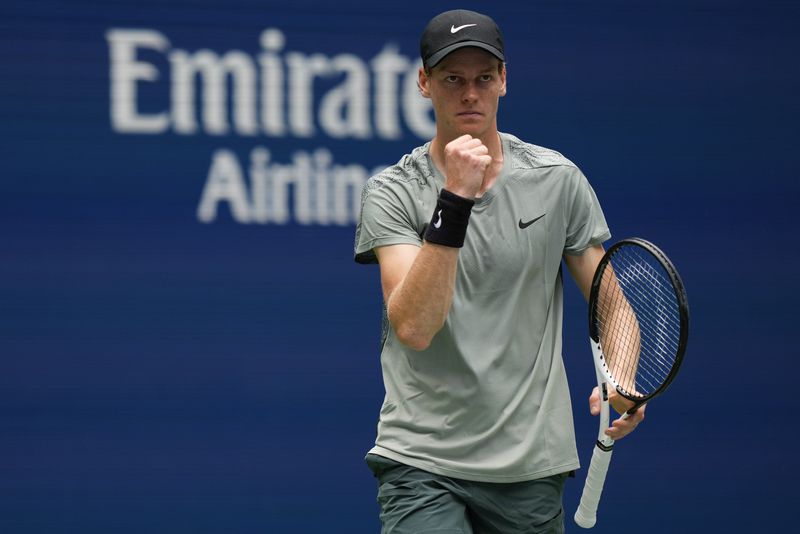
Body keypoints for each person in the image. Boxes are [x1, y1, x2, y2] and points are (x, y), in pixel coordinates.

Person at [354, 9, 645, 533]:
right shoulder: (392, 191)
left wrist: (622, 376)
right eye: (453, 79)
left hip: (530, 466)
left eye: (484, 78)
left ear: (504, 81)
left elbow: (610, 301)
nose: (470, 93)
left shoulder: (557, 180)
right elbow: (414, 328)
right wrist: (456, 198)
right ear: (424, 83)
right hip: (421, 462)